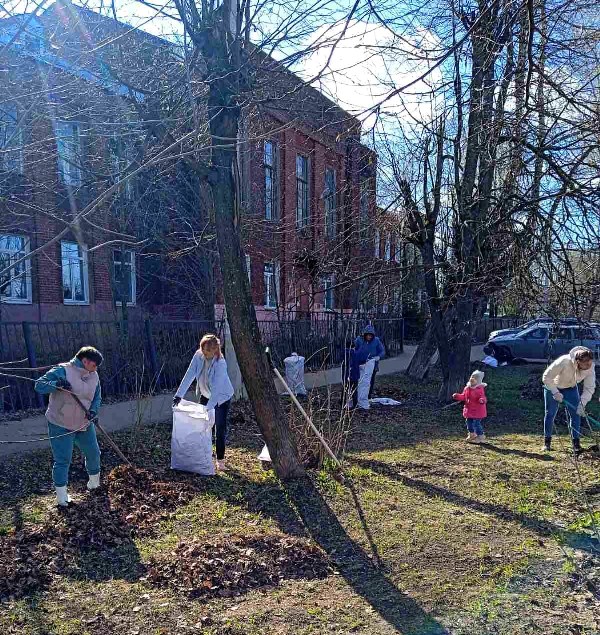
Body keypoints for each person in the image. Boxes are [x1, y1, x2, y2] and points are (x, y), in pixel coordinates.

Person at [34, 346, 104, 507]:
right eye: (94, 365)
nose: (96, 369)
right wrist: (56, 383)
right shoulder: (62, 370)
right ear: (85, 361)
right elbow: (39, 385)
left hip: (83, 422)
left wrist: (93, 411)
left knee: (94, 452)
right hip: (61, 423)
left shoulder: (94, 375)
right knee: (63, 459)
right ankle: (62, 497)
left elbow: (97, 397)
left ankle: (94, 484)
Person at [173, 334, 234, 471]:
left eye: (207, 351)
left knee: (219, 428)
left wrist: (208, 409)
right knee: (204, 426)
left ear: (215, 350)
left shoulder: (220, 364)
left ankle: (220, 459)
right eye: (202, 349)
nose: (204, 353)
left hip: (221, 398)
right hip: (205, 394)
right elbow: (190, 373)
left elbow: (217, 390)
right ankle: (206, 454)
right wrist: (179, 395)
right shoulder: (198, 355)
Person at [541, 346, 596, 453]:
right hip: (553, 386)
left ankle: (576, 444)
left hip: (571, 388)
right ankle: (547, 443)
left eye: (590, 363)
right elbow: (546, 376)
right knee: (550, 414)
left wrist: (582, 403)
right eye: (586, 364)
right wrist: (555, 392)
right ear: (578, 361)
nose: (589, 366)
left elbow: (589, 388)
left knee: (576, 414)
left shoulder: (590, 367)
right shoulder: (564, 361)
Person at [452, 370, 488, 443]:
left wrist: (482, 400)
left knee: (476, 423)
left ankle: (480, 436)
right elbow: (463, 397)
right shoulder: (467, 388)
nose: (472, 379)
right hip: (469, 410)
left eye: (475, 378)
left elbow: (483, 397)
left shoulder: (479, 389)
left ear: (478, 381)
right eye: (472, 377)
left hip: (478, 410)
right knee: (469, 423)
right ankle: (472, 434)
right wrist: (457, 396)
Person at [354, 325, 385, 399]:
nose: (369, 337)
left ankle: (368, 396)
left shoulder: (376, 340)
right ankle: (358, 395)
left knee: (370, 381)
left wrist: (378, 357)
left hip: (372, 364)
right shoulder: (359, 340)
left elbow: (382, 351)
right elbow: (353, 348)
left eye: (371, 336)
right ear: (364, 335)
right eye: (368, 335)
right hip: (360, 364)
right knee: (359, 380)